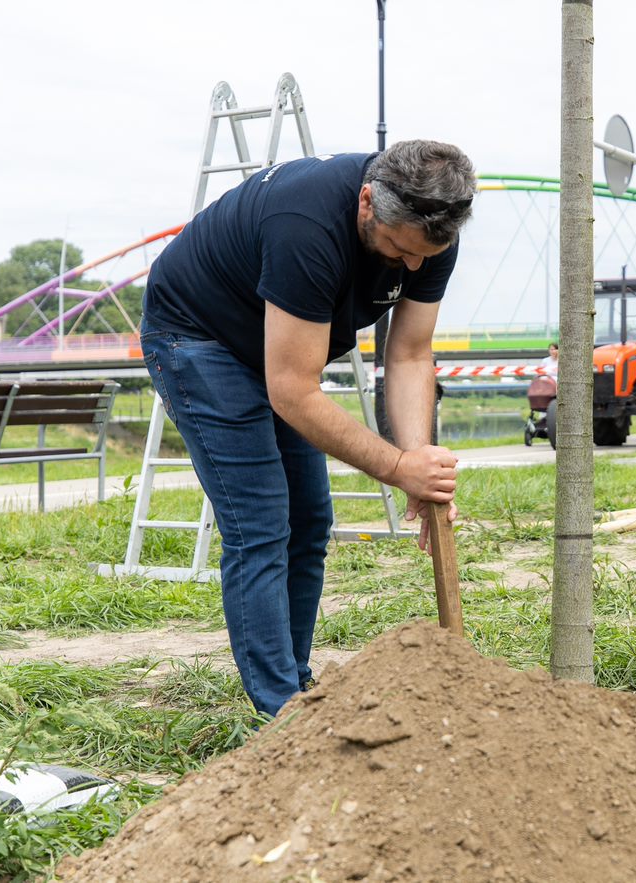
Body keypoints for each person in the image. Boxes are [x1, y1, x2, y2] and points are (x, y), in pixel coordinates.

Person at [140, 140, 477, 716]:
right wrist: (397, 468)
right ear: (367, 202)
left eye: (427, 254)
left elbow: (410, 353)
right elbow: (293, 390)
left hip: (278, 350)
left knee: (311, 518)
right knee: (260, 521)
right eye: (399, 250)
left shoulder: (430, 230)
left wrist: (418, 463)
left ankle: (297, 686)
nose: (413, 266)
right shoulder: (306, 225)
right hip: (199, 337)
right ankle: (280, 711)